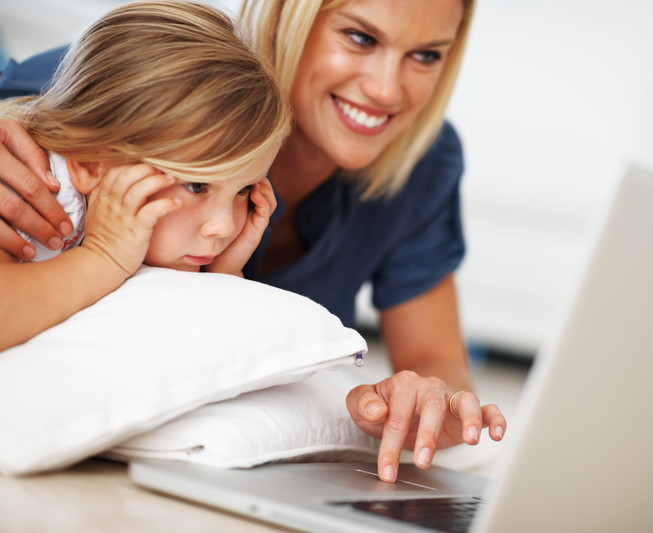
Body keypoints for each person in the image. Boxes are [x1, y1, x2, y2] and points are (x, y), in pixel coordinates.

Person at [0, 0, 507, 482]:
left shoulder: (423, 163)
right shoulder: (153, 80)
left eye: (426, 55)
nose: (386, 90)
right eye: (359, 37)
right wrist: (103, 256)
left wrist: (426, 401)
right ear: (290, 17)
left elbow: (436, 358)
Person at [0, 0, 291, 351]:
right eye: (197, 185)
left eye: (244, 190)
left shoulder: (162, 236)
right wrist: (102, 258)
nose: (225, 227)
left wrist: (222, 279)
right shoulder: (34, 188)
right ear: (92, 165)